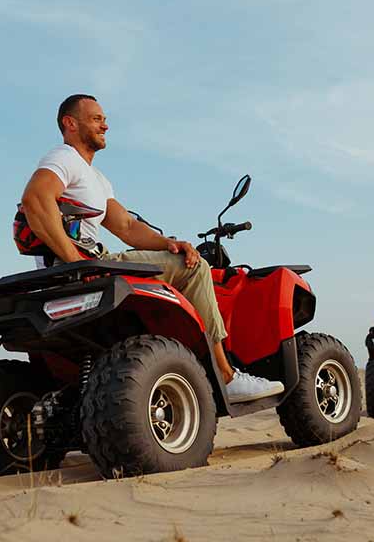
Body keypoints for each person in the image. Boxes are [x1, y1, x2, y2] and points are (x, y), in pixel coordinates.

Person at [18, 94, 283, 403]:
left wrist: (170, 243)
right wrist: (76, 262)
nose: (105, 124)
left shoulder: (96, 178)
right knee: (195, 267)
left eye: (104, 119)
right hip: (88, 262)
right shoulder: (64, 158)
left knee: (179, 258)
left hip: (89, 261)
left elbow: (126, 227)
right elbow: (35, 199)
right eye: (96, 119)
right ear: (70, 123)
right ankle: (225, 375)